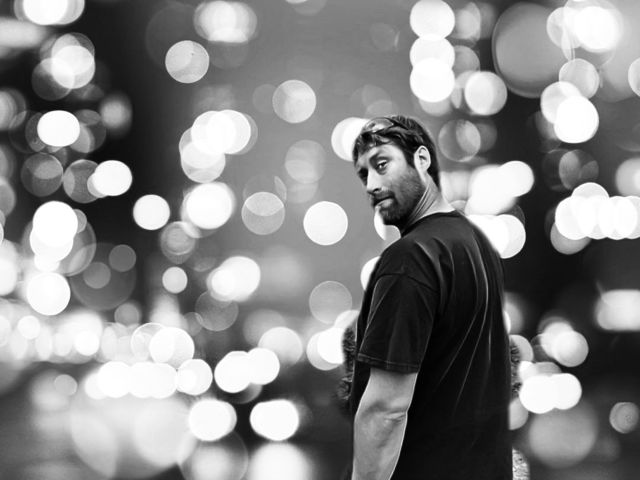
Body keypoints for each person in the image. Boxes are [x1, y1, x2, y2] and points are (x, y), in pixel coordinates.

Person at [346, 115, 512, 480]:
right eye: (364, 174)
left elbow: (386, 409)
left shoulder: (411, 258)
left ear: (421, 159)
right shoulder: (476, 243)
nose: (372, 185)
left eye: (382, 164)